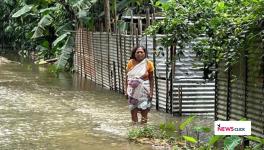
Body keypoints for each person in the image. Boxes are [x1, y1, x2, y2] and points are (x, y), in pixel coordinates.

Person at [125, 46, 154, 124]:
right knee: (133, 111)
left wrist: (151, 92)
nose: (139, 54)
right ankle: (134, 130)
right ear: (134, 54)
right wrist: (126, 91)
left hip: (145, 90)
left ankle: (143, 131)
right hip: (133, 90)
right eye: (137, 52)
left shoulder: (149, 63)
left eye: (141, 52)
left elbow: (151, 79)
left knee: (144, 111)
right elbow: (127, 78)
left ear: (145, 53)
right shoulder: (130, 63)